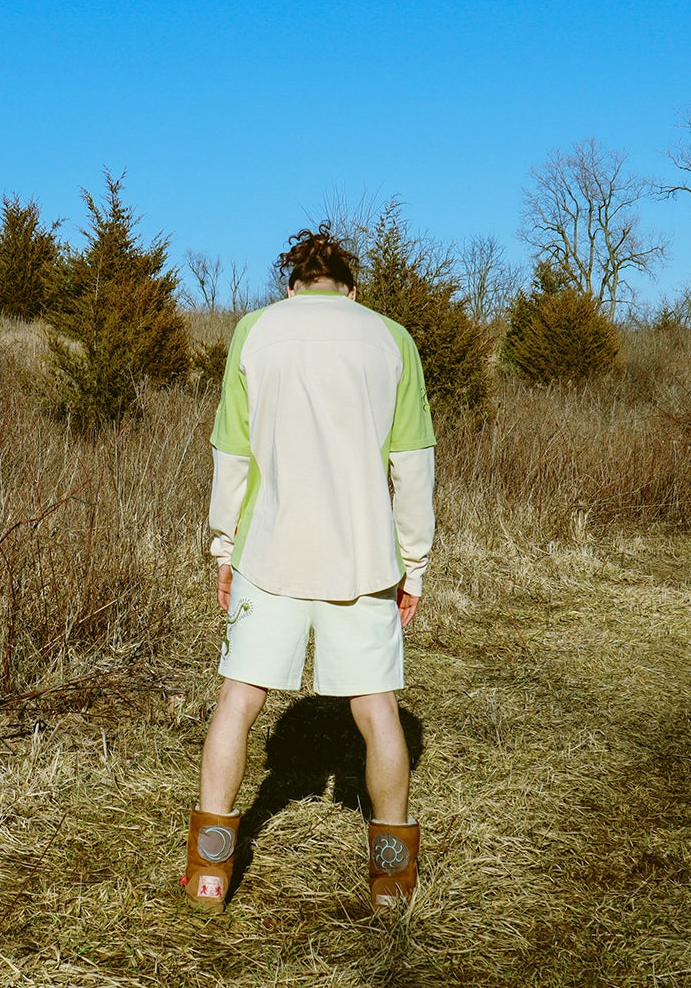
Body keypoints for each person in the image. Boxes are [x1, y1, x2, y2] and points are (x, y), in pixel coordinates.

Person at [182, 222, 436, 913]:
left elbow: (230, 455)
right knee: (377, 708)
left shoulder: (256, 331)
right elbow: (412, 464)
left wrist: (224, 549)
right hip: (362, 556)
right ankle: (391, 882)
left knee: (239, 700)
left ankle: (209, 873)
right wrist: (414, 564)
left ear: (292, 285)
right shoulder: (389, 338)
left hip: (271, 549)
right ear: (351, 289)